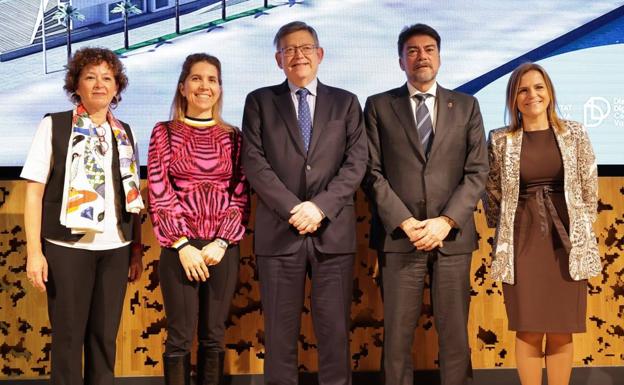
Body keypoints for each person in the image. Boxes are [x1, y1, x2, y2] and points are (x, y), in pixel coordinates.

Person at [241, 21, 367, 385]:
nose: (298, 55)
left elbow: (356, 162)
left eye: (305, 48)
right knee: (279, 334)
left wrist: (320, 207)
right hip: (280, 233)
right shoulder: (260, 101)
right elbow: (254, 161)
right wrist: (295, 209)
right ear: (278, 59)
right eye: (289, 50)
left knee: (334, 331)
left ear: (320, 54)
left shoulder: (346, 102)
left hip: (333, 233)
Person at [362, 24, 488, 385]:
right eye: (413, 51)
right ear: (401, 60)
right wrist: (405, 221)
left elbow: (478, 171)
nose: (422, 57)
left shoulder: (466, 105)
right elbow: (370, 172)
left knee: (454, 337)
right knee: (397, 339)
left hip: (452, 238)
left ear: (439, 56)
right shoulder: (378, 106)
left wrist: (446, 221)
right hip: (400, 237)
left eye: (429, 49)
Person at [22, 47, 144, 385]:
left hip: (116, 248)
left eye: (108, 78)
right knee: (68, 339)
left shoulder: (125, 132)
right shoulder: (54, 126)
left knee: (104, 340)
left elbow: (131, 195)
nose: (100, 84)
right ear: (76, 85)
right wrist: (34, 253)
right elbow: (33, 192)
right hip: (65, 248)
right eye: (90, 77)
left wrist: (135, 249)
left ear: (117, 87)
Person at [484, 63, 600, 385]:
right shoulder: (499, 140)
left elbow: (590, 186)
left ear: (549, 93)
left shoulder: (574, 133)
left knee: (562, 328)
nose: (531, 95)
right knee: (528, 327)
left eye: (538, 87)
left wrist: (581, 230)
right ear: (513, 98)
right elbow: (491, 191)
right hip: (521, 241)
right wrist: (502, 234)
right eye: (522, 90)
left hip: (567, 243)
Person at [147, 53, 249, 385]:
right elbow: (159, 191)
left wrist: (222, 241)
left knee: (214, 335)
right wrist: (182, 245)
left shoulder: (234, 136)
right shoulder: (163, 132)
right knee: (179, 335)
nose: (204, 85)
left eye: (212, 79)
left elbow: (241, 192)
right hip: (180, 249)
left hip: (222, 249)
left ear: (219, 89)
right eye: (196, 78)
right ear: (182, 87)